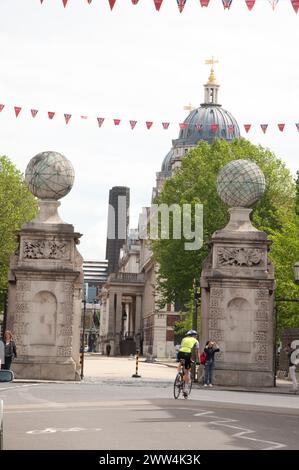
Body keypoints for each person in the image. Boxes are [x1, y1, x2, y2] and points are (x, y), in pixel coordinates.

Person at [177, 330, 200, 398]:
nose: (196, 337)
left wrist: (189, 359)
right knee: (187, 372)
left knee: (181, 363)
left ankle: (178, 375)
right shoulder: (196, 341)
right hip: (187, 353)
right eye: (196, 336)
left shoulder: (184, 339)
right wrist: (199, 361)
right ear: (194, 335)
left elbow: (181, 348)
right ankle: (186, 389)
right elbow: (197, 352)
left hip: (180, 353)